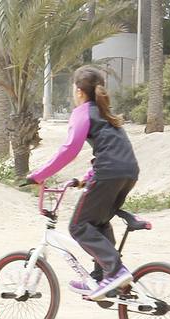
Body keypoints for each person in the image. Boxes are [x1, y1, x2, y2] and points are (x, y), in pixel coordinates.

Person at [27, 64, 140, 299]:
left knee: (78, 226)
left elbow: (69, 149)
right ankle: (102, 278)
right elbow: (112, 151)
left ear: (79, 91)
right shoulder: (104, 112)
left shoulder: (84, 112)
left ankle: (116, 271)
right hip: (128, 173)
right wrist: (85, 178)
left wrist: (40, 174)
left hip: (109, 173)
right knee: (97, 222)